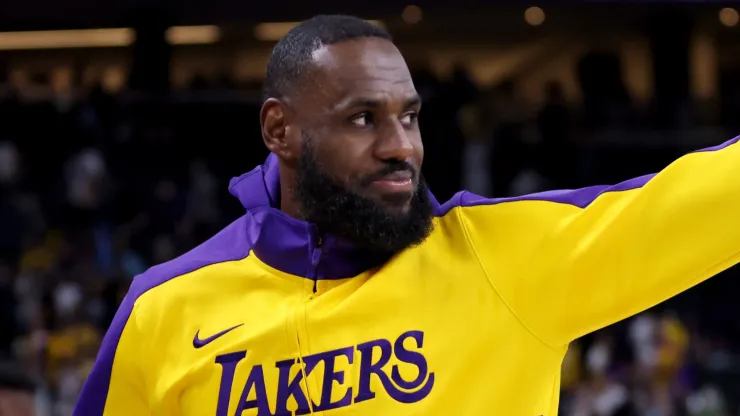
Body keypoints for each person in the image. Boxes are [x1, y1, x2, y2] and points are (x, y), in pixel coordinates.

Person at [75, 15, 740, 416]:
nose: (401, 147)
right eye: (363, 119)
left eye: (410, 117)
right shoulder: (163, 310)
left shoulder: (502, 260)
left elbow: (713, 196)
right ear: (280, 130)